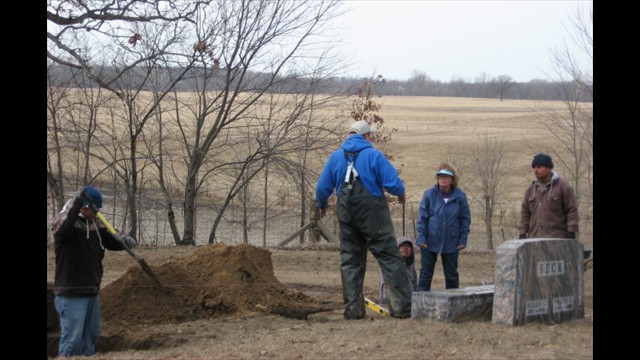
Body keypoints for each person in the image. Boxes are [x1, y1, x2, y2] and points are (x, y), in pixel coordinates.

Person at [315, 119, 412, 319]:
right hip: (373, 214)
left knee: (351, 260)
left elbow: (322, 188)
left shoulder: (335, 157)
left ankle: (353, 310)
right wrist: (400, 193)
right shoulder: (374, 156)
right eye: (371, 135)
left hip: (347, 214)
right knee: (389, 257)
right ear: (367, 136)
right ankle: (401, 308)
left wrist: (321, 203)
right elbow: (392, 182)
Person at [51, 185, 137, 357]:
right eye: (96, 210)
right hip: (71, 292)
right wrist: (76, 202)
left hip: (92, 290)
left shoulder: (96, 225)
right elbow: (62, 230)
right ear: (84, 207)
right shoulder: (64, 224)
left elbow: (112, 241)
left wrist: (126, 240)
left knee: (91, 336)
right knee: (72, 339)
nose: (98, 214)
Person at [416, 163, 471, 291]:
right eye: (440, 176)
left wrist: (463, 240)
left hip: (451, 242)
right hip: (430, 240)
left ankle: (453, 304)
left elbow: (465, 219)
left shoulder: (460, 197)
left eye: (446, 176)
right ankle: (421, 303)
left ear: (452, 179)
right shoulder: (429, 195)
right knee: (425, 274)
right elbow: (422, 217)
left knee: (451, 275)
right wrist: (421, 237)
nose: (443, 179)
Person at [518, 153, 579, 239]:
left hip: (557, 240)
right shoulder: (530, 190)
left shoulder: (563, 187)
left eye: (539, 167)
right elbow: (525, 214)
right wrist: (522, 232)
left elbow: (571, 210)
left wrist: (571, 231)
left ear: (549, 168)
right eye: (534, 167)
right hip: (534, 241)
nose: (536, 170)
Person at [378, 236, 417, 305]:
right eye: (403, 246)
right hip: (392, 304)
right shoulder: (387, 266)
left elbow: (415, 286)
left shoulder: (411, 268)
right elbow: (385, 286)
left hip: (410, 303)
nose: (406, 248)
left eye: (408, 246)